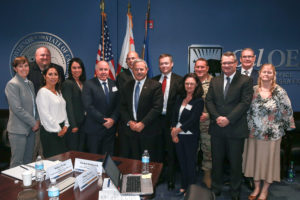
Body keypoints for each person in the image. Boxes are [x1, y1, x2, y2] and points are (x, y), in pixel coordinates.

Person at [243, 63, 295, 200]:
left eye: (269, 72)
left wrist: (284, 130)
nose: (266, 74)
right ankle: (256, 188)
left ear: (273, 75)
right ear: (259, 74)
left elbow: (287, 112)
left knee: (268, 164)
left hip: (272, 136)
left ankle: (265, 190)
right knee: (254, 162)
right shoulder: (253, 90)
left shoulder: (280, 91)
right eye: (264, 72)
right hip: (253, 134)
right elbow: (246, 110)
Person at [206, 51, 253, 200]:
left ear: (235, 64)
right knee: (217, 161)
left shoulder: (245, 80)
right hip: (217, 128)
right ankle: (216, 188)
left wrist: (228, 119)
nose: (226, 65)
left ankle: (235, 192)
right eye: (223, 63)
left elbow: (245, 103)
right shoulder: (215, 81)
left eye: (229, 63)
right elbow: (209, 101)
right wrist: (217, 117)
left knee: (235, 163)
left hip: (235, 129)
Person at [120, 59, 163, 162]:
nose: (139, 72)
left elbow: (157, 108)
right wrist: (129, 122)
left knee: (148, 162)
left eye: (141, 69)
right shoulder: (127, 85)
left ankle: (148, 179)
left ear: (146, 70)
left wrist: (143, 123)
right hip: (132, 131)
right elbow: (122, 107)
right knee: (134, 161)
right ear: (133, 70)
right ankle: (135, 178)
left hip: (148, 131)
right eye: (136, 69)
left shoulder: (155, 85)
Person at [28, 46, 65, 158]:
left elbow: (60, 93)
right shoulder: (28, 68)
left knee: (51, 156)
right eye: (42, 55)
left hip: (54, 120)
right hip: (34, 118)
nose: (45, 57)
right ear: (35, 57)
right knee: (32, 152)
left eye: (47, 55)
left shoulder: (58, 68)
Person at [152, 54, 182, 190]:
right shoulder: (153, 80)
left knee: (171, 152)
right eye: (161, 64)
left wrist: (177, 124)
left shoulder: (180, 81)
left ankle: (170, 179)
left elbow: (181, 104)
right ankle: (158, 177)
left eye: (166, 63)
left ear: (172, 64)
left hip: (171, 121)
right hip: (156, 122)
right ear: (159, 66)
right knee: (157, 152)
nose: (163, 66)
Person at [171, 73, 204, 196]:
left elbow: (193, 119)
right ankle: (184, 185)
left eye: (192, 84)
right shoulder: (180, 98)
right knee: (182, 162)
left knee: (190, 163)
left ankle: (191, 189)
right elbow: (174, 115)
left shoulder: (199, 100)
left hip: (190, 136)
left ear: (196, 85)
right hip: (177, 135)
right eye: (187, 83)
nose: (189, 86)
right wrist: (173, 130)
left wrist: (177, 131)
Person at [5, 56, 40, 167]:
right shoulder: (12, 84)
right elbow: (17, 108)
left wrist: (37, 120)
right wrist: (33, 122)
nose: (24, 68)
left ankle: (25, 185)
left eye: (26, 66)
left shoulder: (29, 83)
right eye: (20, 66)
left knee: (28, 162)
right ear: (15, 68)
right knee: (17, 163)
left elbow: (34, 105)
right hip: (18, 131)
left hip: (31, 129)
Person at [82, 61, 119, 155]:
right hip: (94, 130)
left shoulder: (113, 84)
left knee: (108, 160)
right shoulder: (88, 84)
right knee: (94, 159)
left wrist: (113, 119)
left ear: (109, 70)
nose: (103, 72)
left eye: (105, 69)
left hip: (110, 130)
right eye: (101, 69)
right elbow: (88, 106)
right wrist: (104, 120)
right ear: (96, 71)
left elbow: (118, 104)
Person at [36, 65, 69, 158]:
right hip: (51, 132)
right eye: (50, 74)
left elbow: (63, 109)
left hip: (62, 130)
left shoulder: (58, 91)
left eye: (55, 74)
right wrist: (58, 129)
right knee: (53, 162)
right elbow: (45, 115)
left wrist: (66, 125)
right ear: (44, 76)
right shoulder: (42, 92)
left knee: (63, 160)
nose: (53, 77)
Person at [194, 58, 213, 188]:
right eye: (197, 67)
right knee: (192, 149)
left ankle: (207, 174)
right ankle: (192, 174)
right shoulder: (190, 82)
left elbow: (220, 103)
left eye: (202, 67)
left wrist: (209, 114)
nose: (199, 69)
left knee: (208, 150)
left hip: (207, 123)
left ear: (207, 68)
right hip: (192, 124)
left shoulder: (215, 83)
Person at [116, 51, 139, 158]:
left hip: (141, 123)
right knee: (125, 153)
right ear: (126, 61)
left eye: (133, 58)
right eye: (128, 59)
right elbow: (122, 99)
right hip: (126, 121)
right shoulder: (121, 76)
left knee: (137, 153)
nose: (131, 60)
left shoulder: (142, 74)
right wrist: (130, 121)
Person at [62, 58, 86, 151]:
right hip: (74, 124)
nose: (77, 70)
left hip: (83, 123)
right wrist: (73, 125)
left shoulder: (83, 82)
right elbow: (68, 105)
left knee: (81, 150)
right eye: (74, 68)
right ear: (70, 70)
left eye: (79, 67)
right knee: (73, 151)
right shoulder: (67, 83)